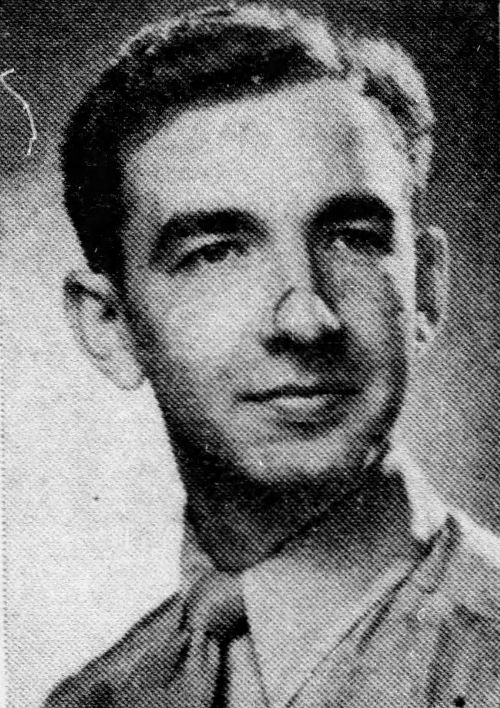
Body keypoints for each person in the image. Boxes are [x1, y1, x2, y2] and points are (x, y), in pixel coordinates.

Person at [46, 4, 500, 706]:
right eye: (216, 253)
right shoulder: (93, 700)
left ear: (426, 288)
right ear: (111, 324)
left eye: (352, 238)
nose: (307, 319)